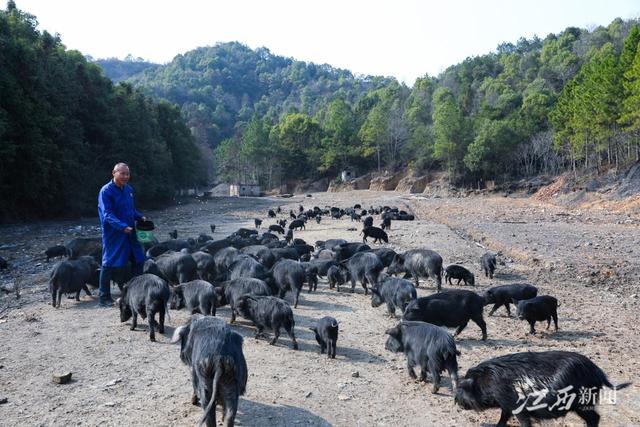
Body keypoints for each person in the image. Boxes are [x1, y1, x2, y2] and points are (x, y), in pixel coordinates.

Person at [97, 163, 146, 307]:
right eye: (122, 173)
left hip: (130, 232)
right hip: (114, 234)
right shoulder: (106, 191)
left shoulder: (129, 189)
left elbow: (131, 210)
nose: (125, 176)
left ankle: (137, 293)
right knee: (108, 263)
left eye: (127, 174)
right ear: (114, 173)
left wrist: (140, 217)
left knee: (139, 259)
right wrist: (121, 226)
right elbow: (107, 214)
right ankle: (104, 298)